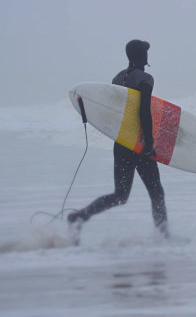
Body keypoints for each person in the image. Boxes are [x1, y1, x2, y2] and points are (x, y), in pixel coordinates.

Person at [68, 39, 168, 241]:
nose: (147, 56)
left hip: (121, 143)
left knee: (120, 195)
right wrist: (149, 142)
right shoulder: (145, 78)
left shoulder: (118, 78)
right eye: (145, 52)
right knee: (156, 193)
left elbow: (114, 112)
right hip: (139, 144)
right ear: (141, 56)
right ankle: (164, 237)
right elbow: (144, 111)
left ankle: (79, 216)